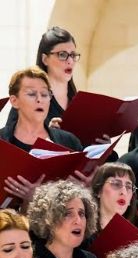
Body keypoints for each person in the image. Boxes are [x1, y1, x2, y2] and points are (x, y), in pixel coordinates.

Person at [1, 68, 83, 204]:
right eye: (31, 94)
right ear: (14, 101)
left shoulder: (69, 142)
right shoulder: (2, 141)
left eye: (45, 94)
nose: (40, 99)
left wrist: (87, 185)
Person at [4, 27, 78, 129]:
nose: (70, 61)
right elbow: (8, 137)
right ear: (45, 59)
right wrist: (48, 133)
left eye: (73, 55)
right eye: (62, 55)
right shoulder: (27, 97)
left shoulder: (78, 101)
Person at [90, 162, 138, 232]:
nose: (124, 192)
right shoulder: (82, 230)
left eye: (128, 187)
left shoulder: (132, 235)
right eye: (116, 184)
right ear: (98, 191)